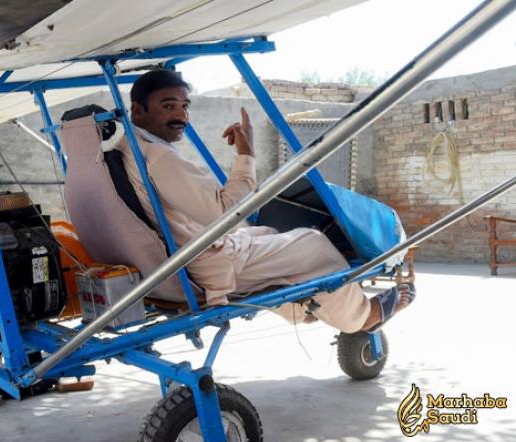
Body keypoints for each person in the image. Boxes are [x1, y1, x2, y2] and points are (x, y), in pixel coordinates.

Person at [112, 69, 413, 333]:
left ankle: (303, 308)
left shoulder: (130, 147)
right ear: (138, 111)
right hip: (204, 267)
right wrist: (246, 153)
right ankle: (362, 317)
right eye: (168, 107)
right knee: (314, 243)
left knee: (267, 234)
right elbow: (224, 213)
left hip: (183, 256)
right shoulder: (160, 157)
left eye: (184, 106)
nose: (181, 117)